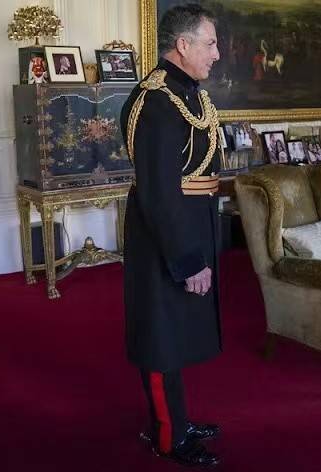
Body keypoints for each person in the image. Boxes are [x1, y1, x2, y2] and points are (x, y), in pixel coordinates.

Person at [120, 4, 222, 467]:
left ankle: (176, 418)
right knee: (161, 337)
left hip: (192, 223)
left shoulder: (190, 94)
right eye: (211, 43)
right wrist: (187, 258)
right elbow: (159, 193)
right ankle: (169, 437)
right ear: (183, 46)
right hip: (166, 233)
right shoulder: (156, 100)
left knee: (176, 333)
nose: (217, 54)